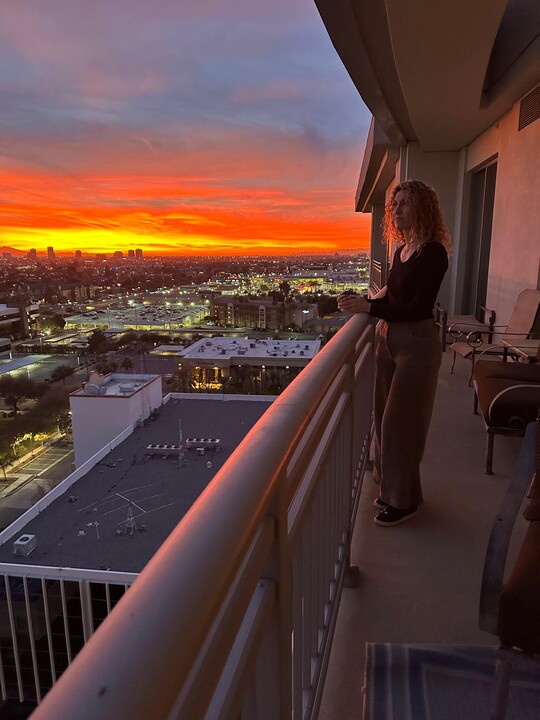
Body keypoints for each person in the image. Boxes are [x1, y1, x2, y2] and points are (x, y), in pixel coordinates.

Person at [338, 179, 451, 526]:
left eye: (404, 203)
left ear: (422, 208)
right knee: (382, 416)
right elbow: (392, 295)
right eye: (395, 204)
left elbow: (418, 308)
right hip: (388, 340)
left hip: (417, 343)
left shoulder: (432, 252)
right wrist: (366, 302)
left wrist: (368, 310)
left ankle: (405, 501)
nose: (397, 210)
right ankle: (390, 490)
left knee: (401, 423)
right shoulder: (401, 250)